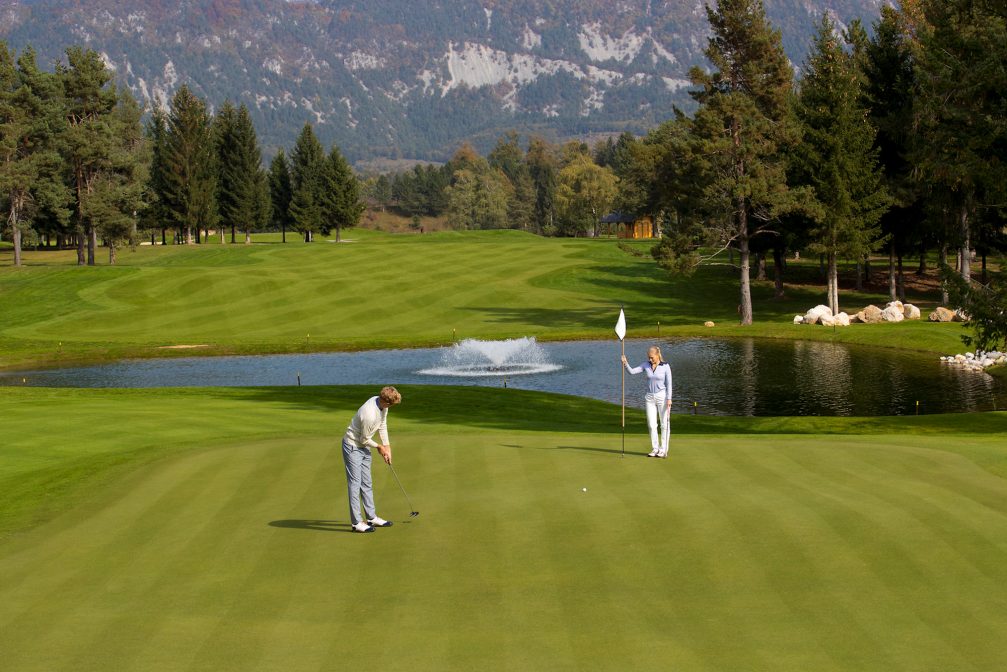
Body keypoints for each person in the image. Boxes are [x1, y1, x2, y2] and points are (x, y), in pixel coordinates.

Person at [342, 386, 402, 533]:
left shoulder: (382, 406)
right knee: (355, 484)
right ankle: (356, 523)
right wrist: (379, 448)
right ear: (385, 401)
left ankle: (371, 517)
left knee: (366, 482)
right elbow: (364, 439)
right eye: (391, 405)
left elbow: (382, 425)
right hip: (352, 446)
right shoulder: (369, 414)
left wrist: (387, 447)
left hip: (363, 446)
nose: (391, 407)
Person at [621, 346, 673, 458]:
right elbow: (632, 372)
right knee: (651, 425)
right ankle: (655, 449)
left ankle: (663, 449)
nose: (650, 360)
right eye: (649, 358)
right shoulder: (646, 365)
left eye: (652, 357)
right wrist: (625, 363)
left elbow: (669, 383)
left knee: (664, 425)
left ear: (657, 355)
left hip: (662, 397)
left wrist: (669, 398)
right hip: (649, 397)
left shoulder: (665, 366)